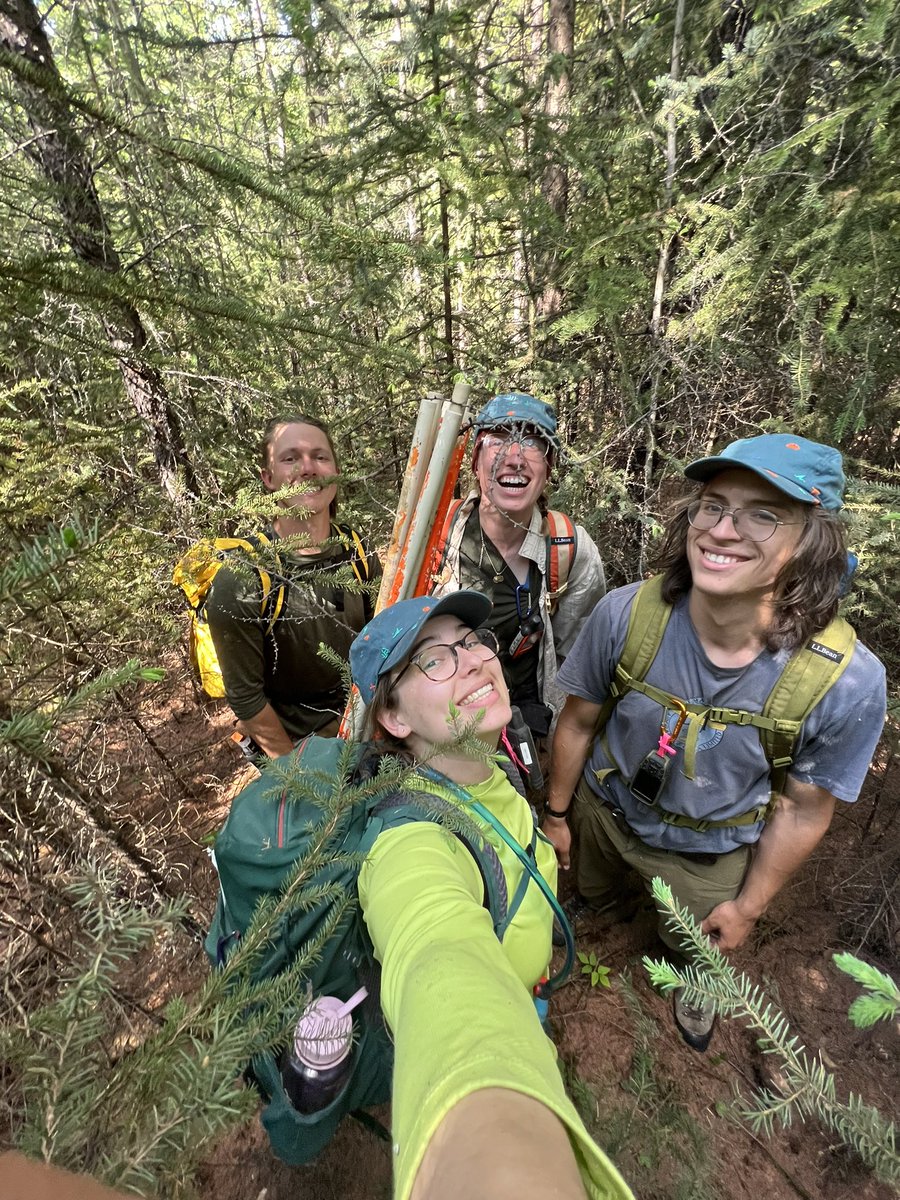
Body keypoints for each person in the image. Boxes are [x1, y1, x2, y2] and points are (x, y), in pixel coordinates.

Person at [542, 433, 887, 1051]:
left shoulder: (844, 680)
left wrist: (750, 905)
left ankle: (699, 977)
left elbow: (803, 808)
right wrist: (559, 814)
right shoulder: (627, 614)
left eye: (764, 514)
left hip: (707, 849)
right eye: (714, 505)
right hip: (604, 808)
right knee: (592, 892)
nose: (724, 529)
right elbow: (578, 722)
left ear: (813, 541)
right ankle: (603, 905)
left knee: (701, 941)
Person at [349, 592, 633, 1200]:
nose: (476, 660)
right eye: (432, 660)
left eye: (473, 641)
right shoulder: (409, 844)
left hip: (523, 992)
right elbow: (435, 951)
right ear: (394, 719)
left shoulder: (487, 764)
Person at [431, 393, 606, 746]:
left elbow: (578, 664)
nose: (514, 458)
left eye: (532, 442)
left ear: (548, 467)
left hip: (532, 729)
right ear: (475, 463)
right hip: (449, 732)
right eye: (497, 440)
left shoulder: (570, 548)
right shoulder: (435, 537)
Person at [206, 415, 379, 757]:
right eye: (290, 458)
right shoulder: (244, 578)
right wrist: (297, 778)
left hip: (373, 728)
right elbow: (246, 696)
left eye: (320, 456)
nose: (308, 468)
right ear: (268, 479)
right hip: (303, 750)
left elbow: (385, 639)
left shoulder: (357, 549)